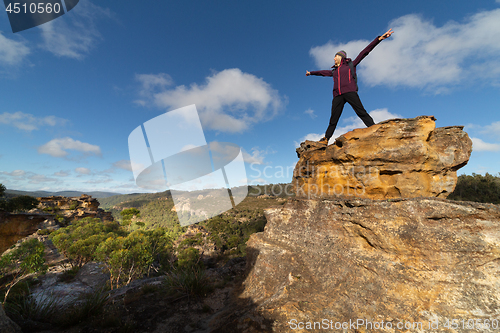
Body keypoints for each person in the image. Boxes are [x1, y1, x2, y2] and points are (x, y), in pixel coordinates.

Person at [306, 29, 394, 145]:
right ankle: (326, 139)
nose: (333, 58)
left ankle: (374, 129)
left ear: (340, 57)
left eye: (335, 56)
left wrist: (379, 39)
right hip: (338, 95)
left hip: (350, 92)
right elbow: (322, 73)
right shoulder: (334, 71)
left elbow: (364, 52)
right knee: (333, 119)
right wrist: (311, 73)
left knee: (361, 112)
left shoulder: (350, 65)